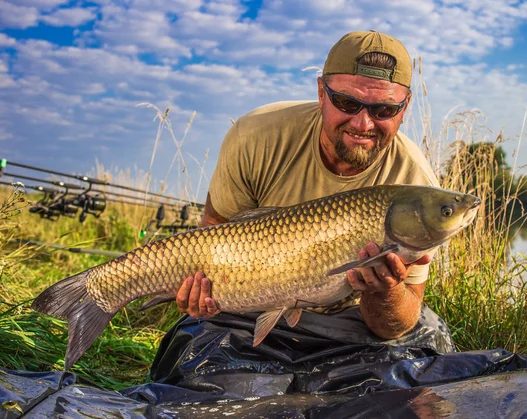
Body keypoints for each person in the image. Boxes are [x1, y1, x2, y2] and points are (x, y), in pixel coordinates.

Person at [172, 30, 453, 350]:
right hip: (251, 302)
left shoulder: (416, 188)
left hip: (352, 319)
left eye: (383, 110)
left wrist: (385, 291)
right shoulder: (254, 136)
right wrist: (206, 291)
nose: (363, 124)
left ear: (404, 108)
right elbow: (213, 230)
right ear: (321, 93)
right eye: (347, 102)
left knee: (421, 349)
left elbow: (394, 327)